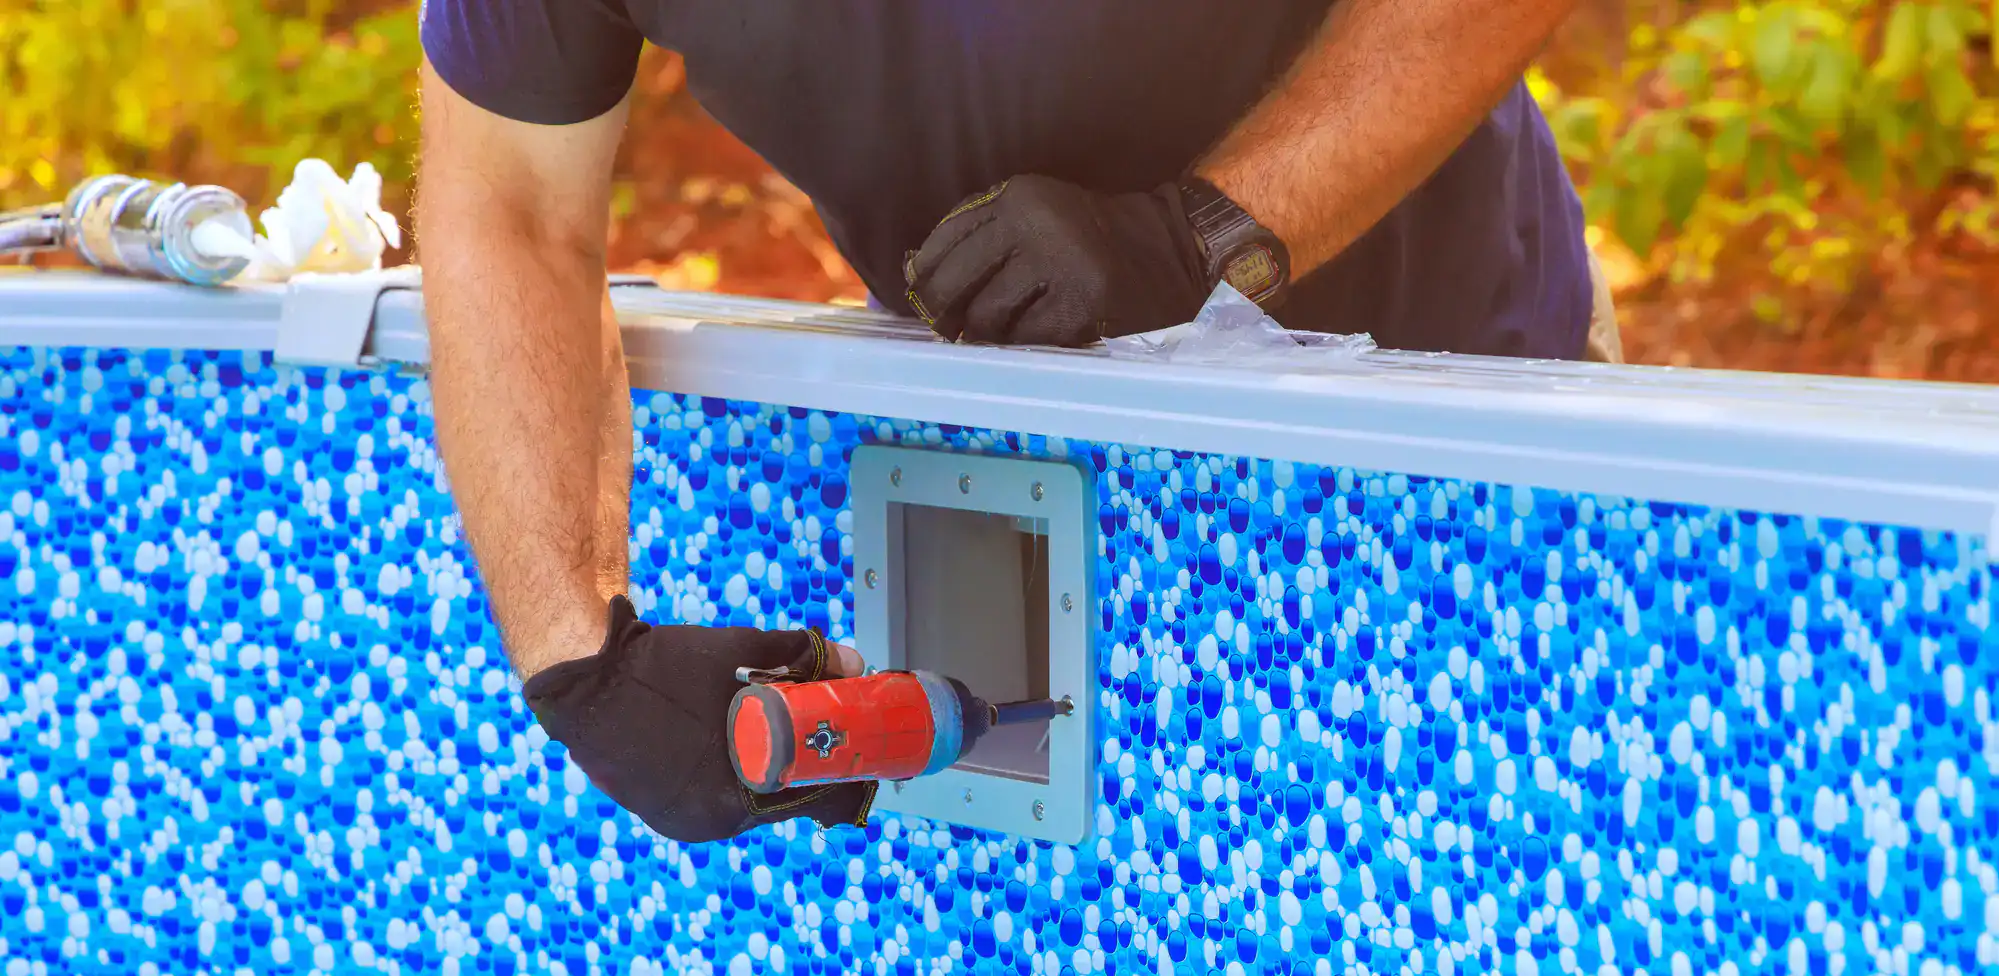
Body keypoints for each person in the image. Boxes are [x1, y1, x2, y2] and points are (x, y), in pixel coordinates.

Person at [415, 0, 1608, 847]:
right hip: (1044, 444)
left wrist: (1202, 235)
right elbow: (507, 207)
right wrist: (580, 661)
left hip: (1449, 402)